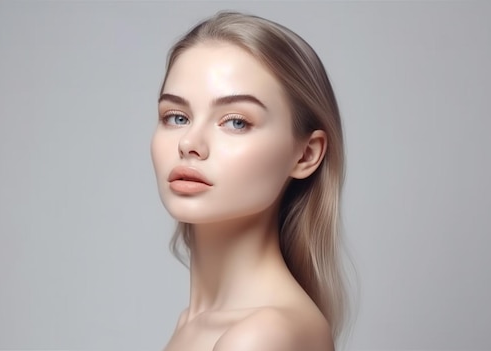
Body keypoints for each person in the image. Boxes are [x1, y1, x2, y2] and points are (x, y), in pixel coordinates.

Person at [151, 10, 353, 351]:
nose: (189, 143)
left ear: (306, 154)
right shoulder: (193, 322)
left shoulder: (262, 337)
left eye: (236, 122)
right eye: (177, 116)